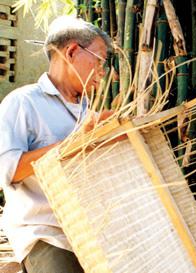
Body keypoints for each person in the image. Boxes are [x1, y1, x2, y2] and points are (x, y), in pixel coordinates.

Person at [0, 16, 113, 273]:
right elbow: (6, 170)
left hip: (93, 235)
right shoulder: (23, 102)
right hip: (48, 235)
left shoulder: (90, 110)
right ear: (72, 51)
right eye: (99, 60)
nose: (102, 71)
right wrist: (75, 141)